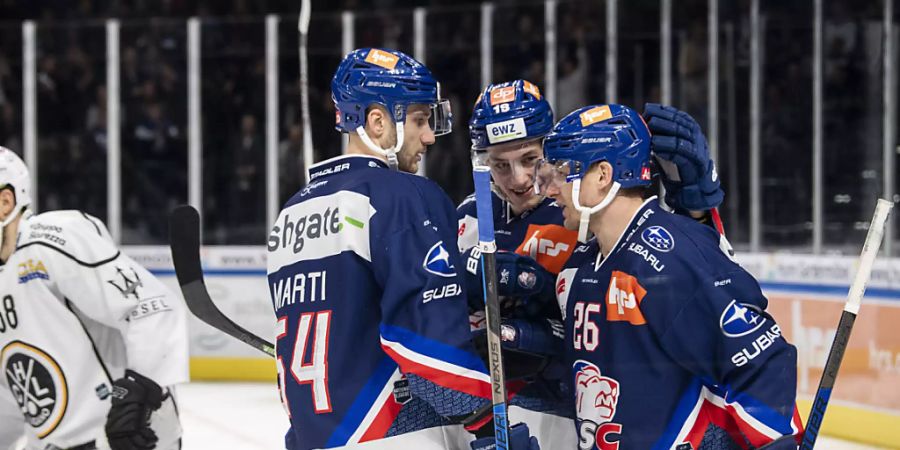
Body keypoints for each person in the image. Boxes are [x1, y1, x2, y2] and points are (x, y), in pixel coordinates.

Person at [267, 48, 538, 450]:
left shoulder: (291, 213)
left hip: (313, 436)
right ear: (377, 122)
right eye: (419, 120)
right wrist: (487, 424)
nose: (429, 136)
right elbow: (423, 338)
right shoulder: (401, 195)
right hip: (393, 433)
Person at [458, 82, 729, 449]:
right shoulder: (469, 218)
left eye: (529, 159)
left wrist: (698, 212)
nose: (518, 179)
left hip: (578, 411)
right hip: (490, 411)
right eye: (500, 165)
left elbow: (684, 272)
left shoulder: (586, 213)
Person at [536, 104, 803, 449]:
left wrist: (776, 443)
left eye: (561, 172)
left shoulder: (666, 258)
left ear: (603, 175)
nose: (549, 189)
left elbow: (757, 360)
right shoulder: (579, 267)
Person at [0, 147, 189, 449]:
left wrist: (137, 397)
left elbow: (151, 306)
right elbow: (10, 396)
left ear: (5, 202)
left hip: (124, 438)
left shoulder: (50, 238)